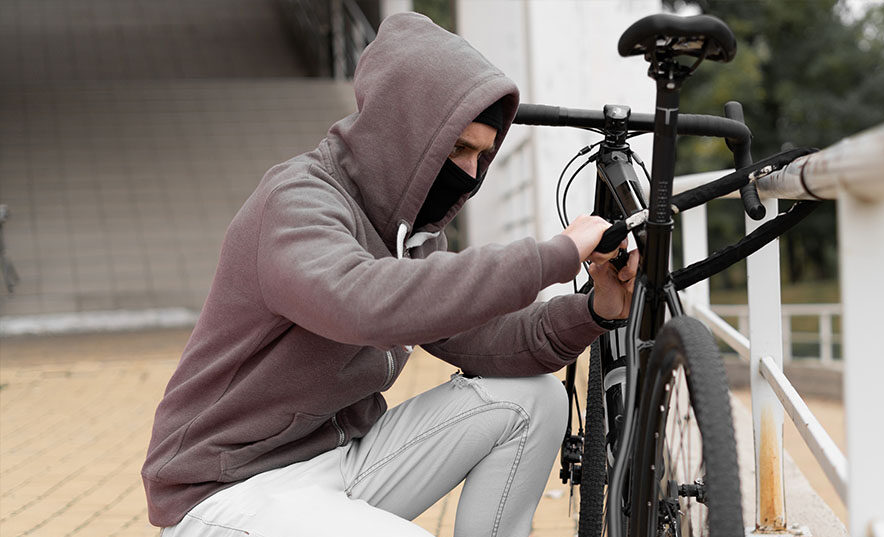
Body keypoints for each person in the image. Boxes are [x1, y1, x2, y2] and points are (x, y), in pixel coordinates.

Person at [142, 13, 637, 537]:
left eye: (481, 155)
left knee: (534, 399)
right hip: (229, 490)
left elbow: (485, 337)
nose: (469, 174)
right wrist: (555, 254)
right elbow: (363, 303)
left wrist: (594, 309)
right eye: (457, 149)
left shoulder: (413, 237)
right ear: (404, 134)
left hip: (337, 464)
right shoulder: (296, 201)